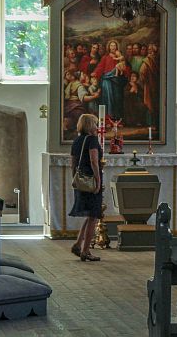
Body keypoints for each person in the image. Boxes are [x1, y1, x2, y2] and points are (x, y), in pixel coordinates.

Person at [69, 114, 103, 261]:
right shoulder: (92, 140)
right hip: (91, 181)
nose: (97, 126)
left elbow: (73, 163)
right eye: (95, 124)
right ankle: (86, 251)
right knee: (94, 215)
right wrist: (98, 180)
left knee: (90, 215)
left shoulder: (76, 140)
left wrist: (74, 179)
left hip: (81, 181)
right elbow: (94, 161)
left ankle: (78, 244)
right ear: (90, 125)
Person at [93, 40, 129, 119]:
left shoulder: (120, 57)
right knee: (107, 99)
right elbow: (100, 67)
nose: (113, 47)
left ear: (117, 47)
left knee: (117, 99)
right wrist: (95, 73)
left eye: (114, 46)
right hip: (107, 81)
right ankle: (108, 119)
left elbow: (125, 68)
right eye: (111, 46)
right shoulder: (105, 57)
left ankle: (117, 119)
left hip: (117, 81)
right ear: (108, 47)